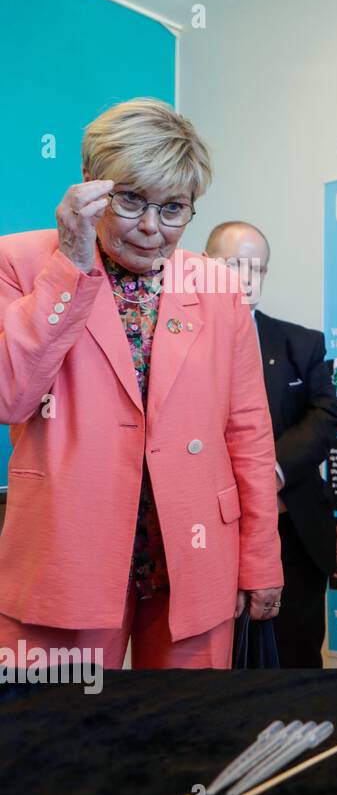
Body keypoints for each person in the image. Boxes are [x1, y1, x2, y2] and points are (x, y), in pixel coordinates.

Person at [0, 98, 282, 667]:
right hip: (65, 547)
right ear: (89, 185)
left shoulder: (218, 287)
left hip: (194, 551)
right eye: (131, 201)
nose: (152, 228)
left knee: (189, 741)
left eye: (174, 208)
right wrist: (74, 265)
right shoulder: (20, 262)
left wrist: (260, 558)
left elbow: (248, 433)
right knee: (55, 741)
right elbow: (12, 394)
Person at [206, 221, 337, 667]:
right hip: (208, 531)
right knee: (216, 661)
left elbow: (324, 415)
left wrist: (268, 473)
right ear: (205, 267)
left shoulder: (301, 343)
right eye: (234, 266)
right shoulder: (177, 342)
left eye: (257, 269)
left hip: (293, 529)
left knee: (296, 656)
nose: (247, 278)